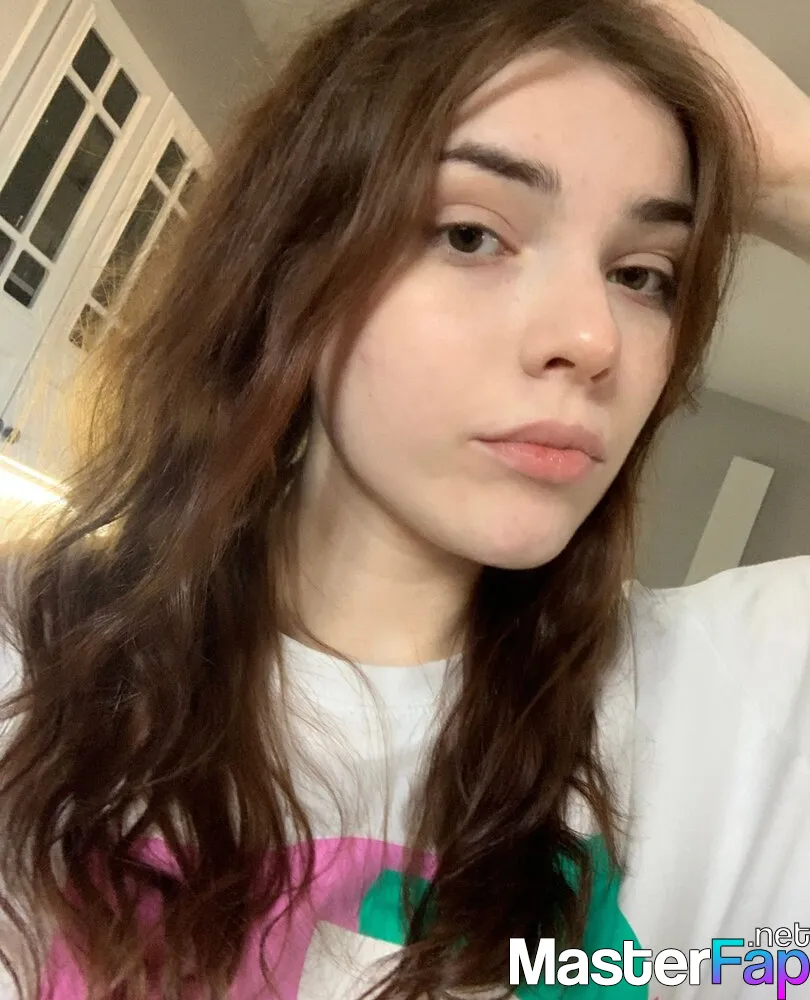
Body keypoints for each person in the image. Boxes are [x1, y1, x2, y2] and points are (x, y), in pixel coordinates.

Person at [0, 0, 808, 997]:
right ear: (290, 269)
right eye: (472, 235)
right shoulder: (31, 665)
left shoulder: (730, 707)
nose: (592, 337)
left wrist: (791, 163)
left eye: (642, 274)